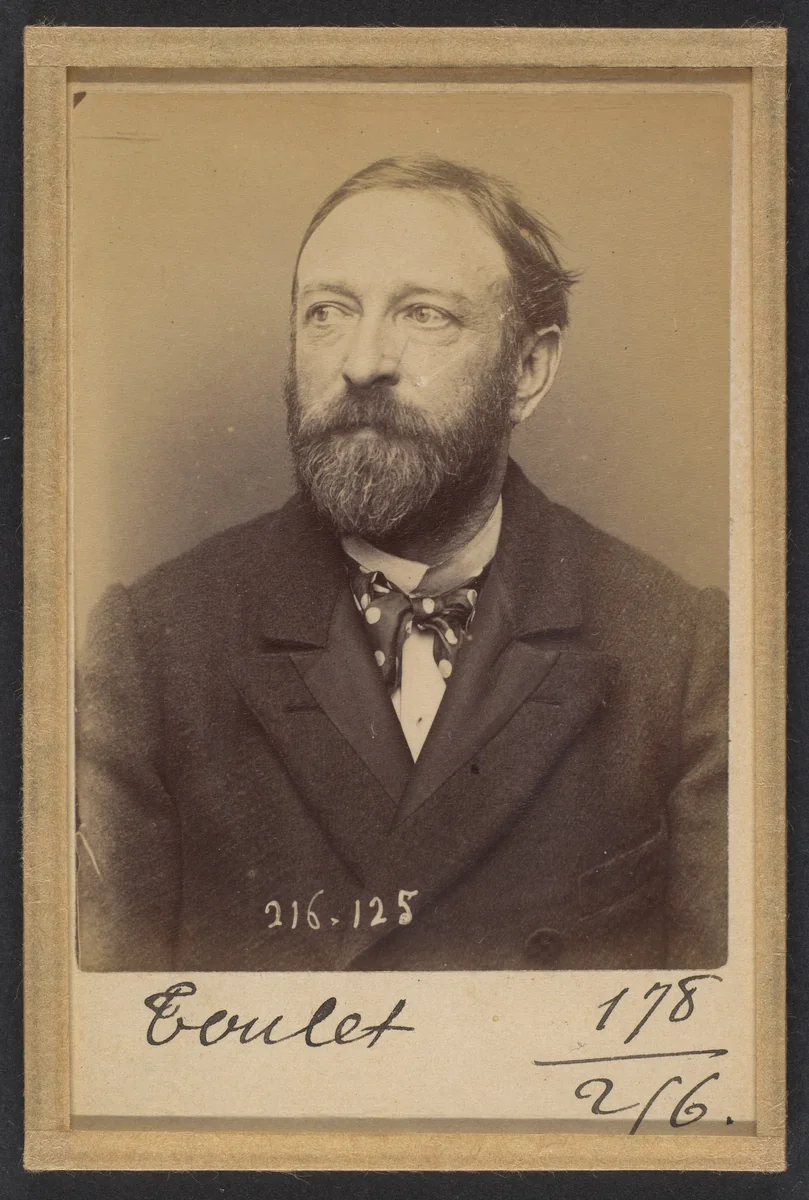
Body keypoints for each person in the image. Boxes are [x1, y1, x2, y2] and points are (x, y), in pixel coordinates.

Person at [76, 156, 728, 972]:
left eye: (424, 315)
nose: (361, 362)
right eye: (327, 312)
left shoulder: (683, 653)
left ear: (528, 371)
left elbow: (724, 1026)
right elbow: (101, 1027)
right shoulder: (150, 648)